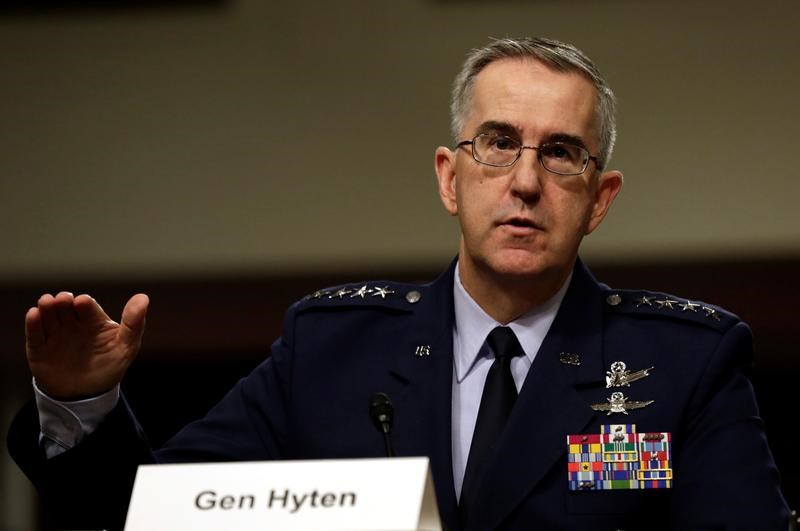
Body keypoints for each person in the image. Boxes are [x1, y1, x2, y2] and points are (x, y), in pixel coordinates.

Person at [7, 37, 790, 530]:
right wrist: (83, 404)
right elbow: (156, 516)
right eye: (497, 143)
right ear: (451, 178)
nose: (524, 181)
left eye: (560, 153)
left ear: (600, 197)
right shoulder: (332, 349)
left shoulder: (685, 362)